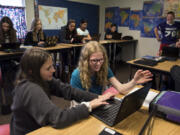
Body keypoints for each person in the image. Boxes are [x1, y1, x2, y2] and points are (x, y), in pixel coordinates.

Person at [10, 48, 114, 135]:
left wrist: (97, 97)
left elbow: (68, 90)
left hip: (40, 127)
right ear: (32, 71)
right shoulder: (30, 89)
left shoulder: (41, 78)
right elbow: (59, 118)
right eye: (48, 68)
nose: (53, 70)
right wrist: (88, 106)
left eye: (52, 66)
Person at [70, 41, 153, 95]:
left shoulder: (104, 68)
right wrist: (102, 98)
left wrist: (134, 81)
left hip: (97, 103)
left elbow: (121, 89)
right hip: (83, 106)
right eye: (94, 60)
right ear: (86, 60)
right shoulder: (77, 75)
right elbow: (79, 102)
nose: (98, 64)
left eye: (101, 60)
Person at [0, 16, 18, 114]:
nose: (5, 28)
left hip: (11, 58)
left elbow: (15, 45)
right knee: (7, 78)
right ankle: (9, 104)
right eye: (4, 26)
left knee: (14, 77)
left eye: (7, 27)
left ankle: (15, 102)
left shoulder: (13, 32)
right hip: (3, 59)